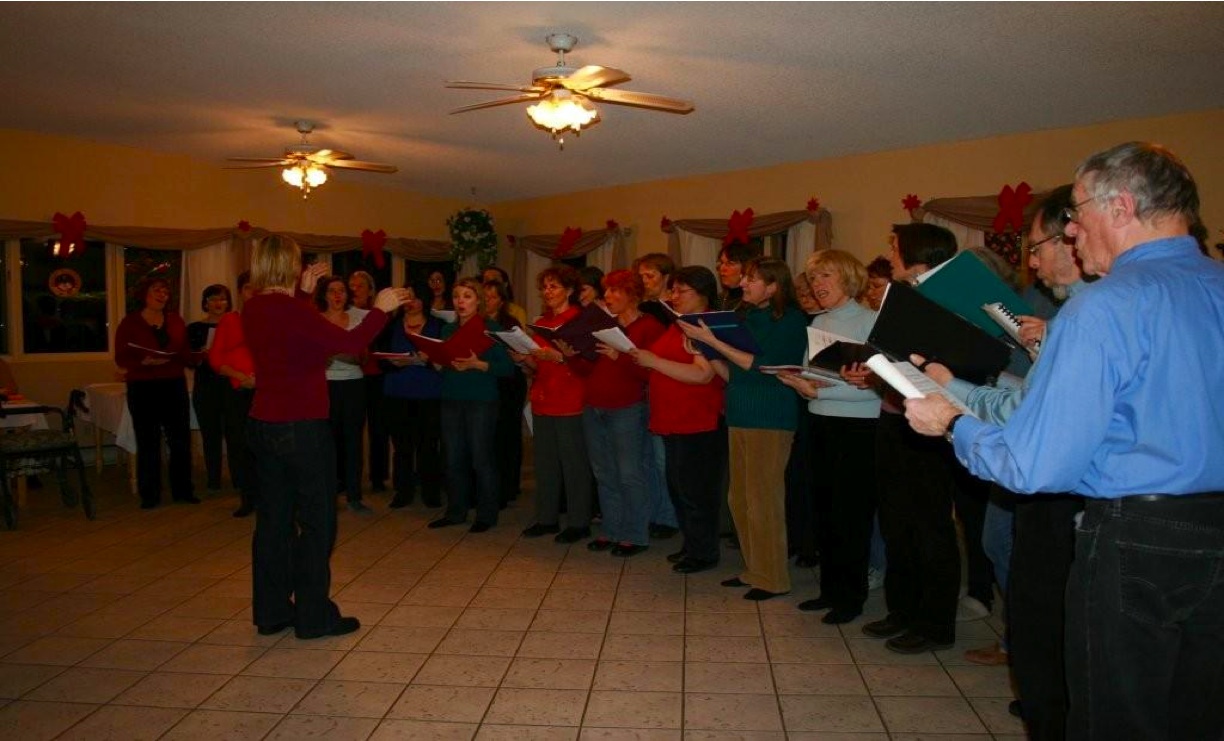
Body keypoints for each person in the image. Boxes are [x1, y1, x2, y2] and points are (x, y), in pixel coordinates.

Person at [904, 142, 1224, 740]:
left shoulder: (1104, 307)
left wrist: (951, 422)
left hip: (1139, 542)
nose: (1072, 231)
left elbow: (1033, 466)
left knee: (1116, 718)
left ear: (1121, 206)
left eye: (1077, 212)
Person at [915, 185, 1086, 737]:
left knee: (1046, 601)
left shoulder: (1088, 313)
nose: (1031, 262)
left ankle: (1040, 679)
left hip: (1061, 488)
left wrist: (953, 399)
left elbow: (1028, 417)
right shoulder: (1073, 315)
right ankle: (1033, 669)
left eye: (1037, 247)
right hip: (1034, 463)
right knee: (1005, 555)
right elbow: (1028, 397)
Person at [243, 234, 406, 640]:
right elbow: (349, 344)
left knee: (274, 522)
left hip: (264, 424)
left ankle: (272, 611)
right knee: (317, 523)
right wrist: (380, 311)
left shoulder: (255, 306)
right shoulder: (290, 310)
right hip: (302, 427)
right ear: (290, 266)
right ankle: (314, 617)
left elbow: (292, 334)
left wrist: (303, 293)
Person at [862, 223, 963, 654]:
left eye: (896, 246)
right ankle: (901, 610)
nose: (890, 251)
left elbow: (950, 364)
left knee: (931, 526)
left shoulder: (949, 301)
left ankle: (935, 623)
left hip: (933, 427)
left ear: (917, 253)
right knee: (896, 522)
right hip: (894, 420)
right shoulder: (901, 299)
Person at [681, 257, 808, 600]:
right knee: (739, 497)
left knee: (764, 499)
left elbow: (764, 366)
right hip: (739, 412)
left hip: (770, 416)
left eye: (752, 280)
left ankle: (773, 577)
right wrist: (705, 349)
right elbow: (734, 373)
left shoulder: (791, 320)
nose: (743, 285)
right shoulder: (746, 315)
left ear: (773, 286)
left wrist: (716, 342)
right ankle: (754, 568)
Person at [778, 250, 881, 622]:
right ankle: (830, 590)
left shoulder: (871, 321)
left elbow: (876, 388)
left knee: (850, 516)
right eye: (813, 278)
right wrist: (799, 380)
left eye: (826, 277)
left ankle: (850, 598)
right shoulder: (818, 322)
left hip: (858, 427)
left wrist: (818, 391)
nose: (818, 285)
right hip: (819, 421)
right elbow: (818, 374)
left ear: (849, 278)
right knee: (823, 511)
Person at [632, 266, 727, 575]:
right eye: (672, 290)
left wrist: (654, 361)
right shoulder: (679, 324)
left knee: (697, 490)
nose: (673, 296)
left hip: (697, 419)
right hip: (673, 418)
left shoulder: (707, 325)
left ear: (702, 294)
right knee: (679, 487)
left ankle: (704, 552)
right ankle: (692, 544)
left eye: (680, 291)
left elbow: (703, 374)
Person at [567, 269, 665, 556]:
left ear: (632, 295)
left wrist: (618, 357)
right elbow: (588, 370)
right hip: (594, 406)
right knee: (604, 473)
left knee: (630, 473)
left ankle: (635, 534)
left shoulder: (649, 327)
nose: (607, 297)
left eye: (614, 291)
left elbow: (652, 373)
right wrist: (572, 356)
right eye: (606, 291)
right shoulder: (601, 325)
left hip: (629, 409)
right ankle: (611, 529)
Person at [429, 277, 513, 532]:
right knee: (453, 458)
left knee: (481, 458)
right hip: (451, 398)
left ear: (478, 300)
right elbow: (442, 365)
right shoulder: (447, 330)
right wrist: (436, 361)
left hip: (481, 401)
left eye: (467, 296)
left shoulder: (491, 328)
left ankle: (486, 515)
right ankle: (456, 511)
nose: (460, 301)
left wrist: (478, 364)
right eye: (456, 296)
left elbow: (507, 369)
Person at [518, 266, 594, 543]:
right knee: (545, 464)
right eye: (545, 287)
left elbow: (587, 364)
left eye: (554, 287)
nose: (547, 292)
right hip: (543, 397)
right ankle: (546, 518)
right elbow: (537, 365)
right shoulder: (542, 322)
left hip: (571, 399)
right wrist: (523, 357)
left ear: (570, 291)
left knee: (574, 465)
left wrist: (560, 357)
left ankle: (578, 522)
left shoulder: (580, 320)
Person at [115, 277, 197, 509]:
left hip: (173, 383)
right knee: (148, 440)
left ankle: (183, 490)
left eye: (165, 291)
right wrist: (143, 362)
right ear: (144, 294)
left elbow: (185, 352)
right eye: (156, 290)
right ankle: (149, 495)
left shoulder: (176, 320)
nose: (162, 295)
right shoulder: (130, 322)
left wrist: (196, 357)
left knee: (180, 440)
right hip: (143, 386)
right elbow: (121, 357)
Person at [382, 278, 444, 509]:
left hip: (429, 393)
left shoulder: (437, 326)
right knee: (402, 446)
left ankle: (431, 491)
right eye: (406, 297)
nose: (411, 302)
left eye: (415, 297)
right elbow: (378, 358)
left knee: (428, 445)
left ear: (424, 300)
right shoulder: (391, 325)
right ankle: (403, 490)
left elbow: (446, 359)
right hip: (397, 392)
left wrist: (428, 361)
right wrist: (392, 363)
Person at [631, 252, 680, 539]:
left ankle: (669, 516)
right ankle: (654, 512)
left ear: (666, 278)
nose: (644, 281)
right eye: (641, 276)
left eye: (649, 276)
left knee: (664, 459)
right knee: (647, 458)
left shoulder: (670, 311)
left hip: (668, 389)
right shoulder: (643, 309)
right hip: (645, 390)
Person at [315, 276, 370, 513]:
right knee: (326, 443)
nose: (337, 295)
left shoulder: (358, 317)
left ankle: (354, 495)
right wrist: (322, 358)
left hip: (353, 385)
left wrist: (348, 354)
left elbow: (365, 356)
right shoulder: (315, 319)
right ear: (324, 295)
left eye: (341, 291)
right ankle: (327, 494)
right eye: (331, 291)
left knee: (353, 441)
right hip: (324, 386)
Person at [209, 271, 258, 517]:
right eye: (249, 288)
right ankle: (247, 498)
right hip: (238, 391)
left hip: (266, 390)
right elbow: (216, 359)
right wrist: (241, 377)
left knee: (266, 445)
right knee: (241, 444)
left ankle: (270, 495)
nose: (254, 293)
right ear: (240, 291)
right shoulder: (230, 320)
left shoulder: (270, 319)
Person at [483, 278, 527, 507]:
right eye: (484, 297)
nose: (486, 301)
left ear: (501, 301)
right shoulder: (476, 322)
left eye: (491, 297)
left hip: (510, 383)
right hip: (487, 382)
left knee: (507, 435)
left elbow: (521, 353)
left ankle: (508, 487)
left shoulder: (510, 323)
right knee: (487, 436)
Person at [187, 283, 232, 491]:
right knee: (210, 436)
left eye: (222, 298)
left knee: (235, 436)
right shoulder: (195, 328)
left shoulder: (237, 325)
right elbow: (188, 361)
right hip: (206, 387)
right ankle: (213, 480)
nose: (218, 303)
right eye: (213, 299)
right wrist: (201, 355)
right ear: (205, 303)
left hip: (232, 386)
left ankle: (239, 480)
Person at [350, 270, 391, 495]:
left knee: (379, 429)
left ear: (370, 291)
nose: (355, 290)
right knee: (351, 430)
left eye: (360, 286)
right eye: (352, 286)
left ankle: (378, 477)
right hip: (352, 377)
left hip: (376, 376)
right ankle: (347, 477)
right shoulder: (345, 313)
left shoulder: (380, 315)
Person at [716, 241, 762, 313]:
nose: (722, 268)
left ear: (746, 267)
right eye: (721, 262)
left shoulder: (755, 301)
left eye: (730, 263)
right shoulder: (718, 299)